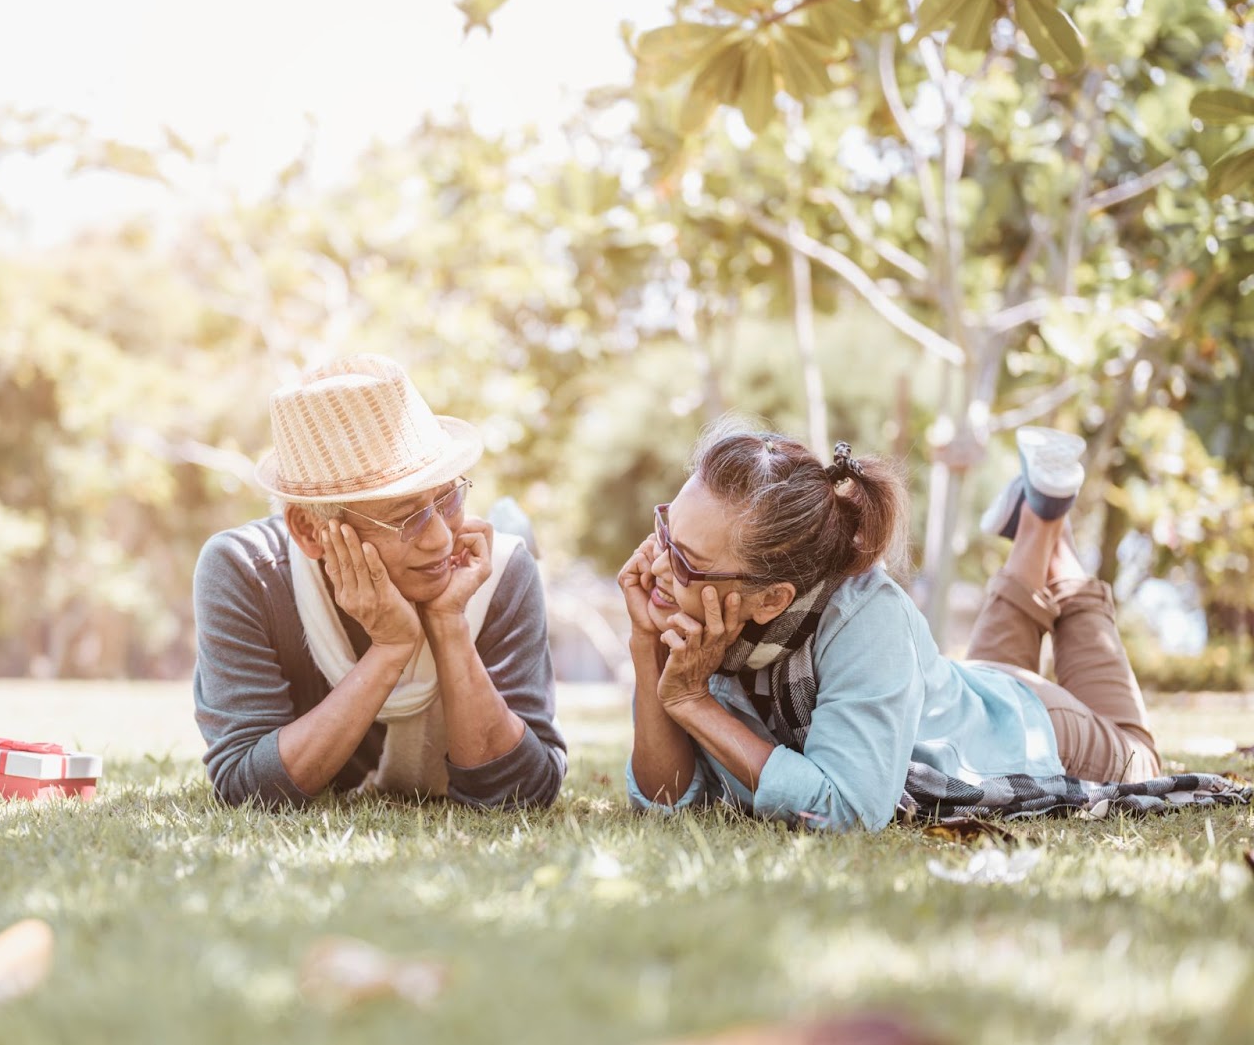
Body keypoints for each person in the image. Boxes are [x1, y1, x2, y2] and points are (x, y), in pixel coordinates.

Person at [620, 418, 1162, 831]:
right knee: (989, 668)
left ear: (772, 600)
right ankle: (1039, 517)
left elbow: (850, 808)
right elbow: (666, 800)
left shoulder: (865, 617)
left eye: (688, 560)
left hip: (1029, 729)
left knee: (1141, 755)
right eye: (665, 530)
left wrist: (694, 703)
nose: (658, 564)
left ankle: (1048, 522)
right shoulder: (704, 627)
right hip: (960, 694)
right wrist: (648, 648)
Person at [193, 353, 566, 809]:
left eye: (448, 498)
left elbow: (523, 795)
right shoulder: (244, 571)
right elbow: (247, 789)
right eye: (405, 517)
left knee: (511, 531)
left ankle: (510, 516)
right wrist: (390, 649)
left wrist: (449, 626)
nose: (440, 540)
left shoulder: (499, 570)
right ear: (311, 531)